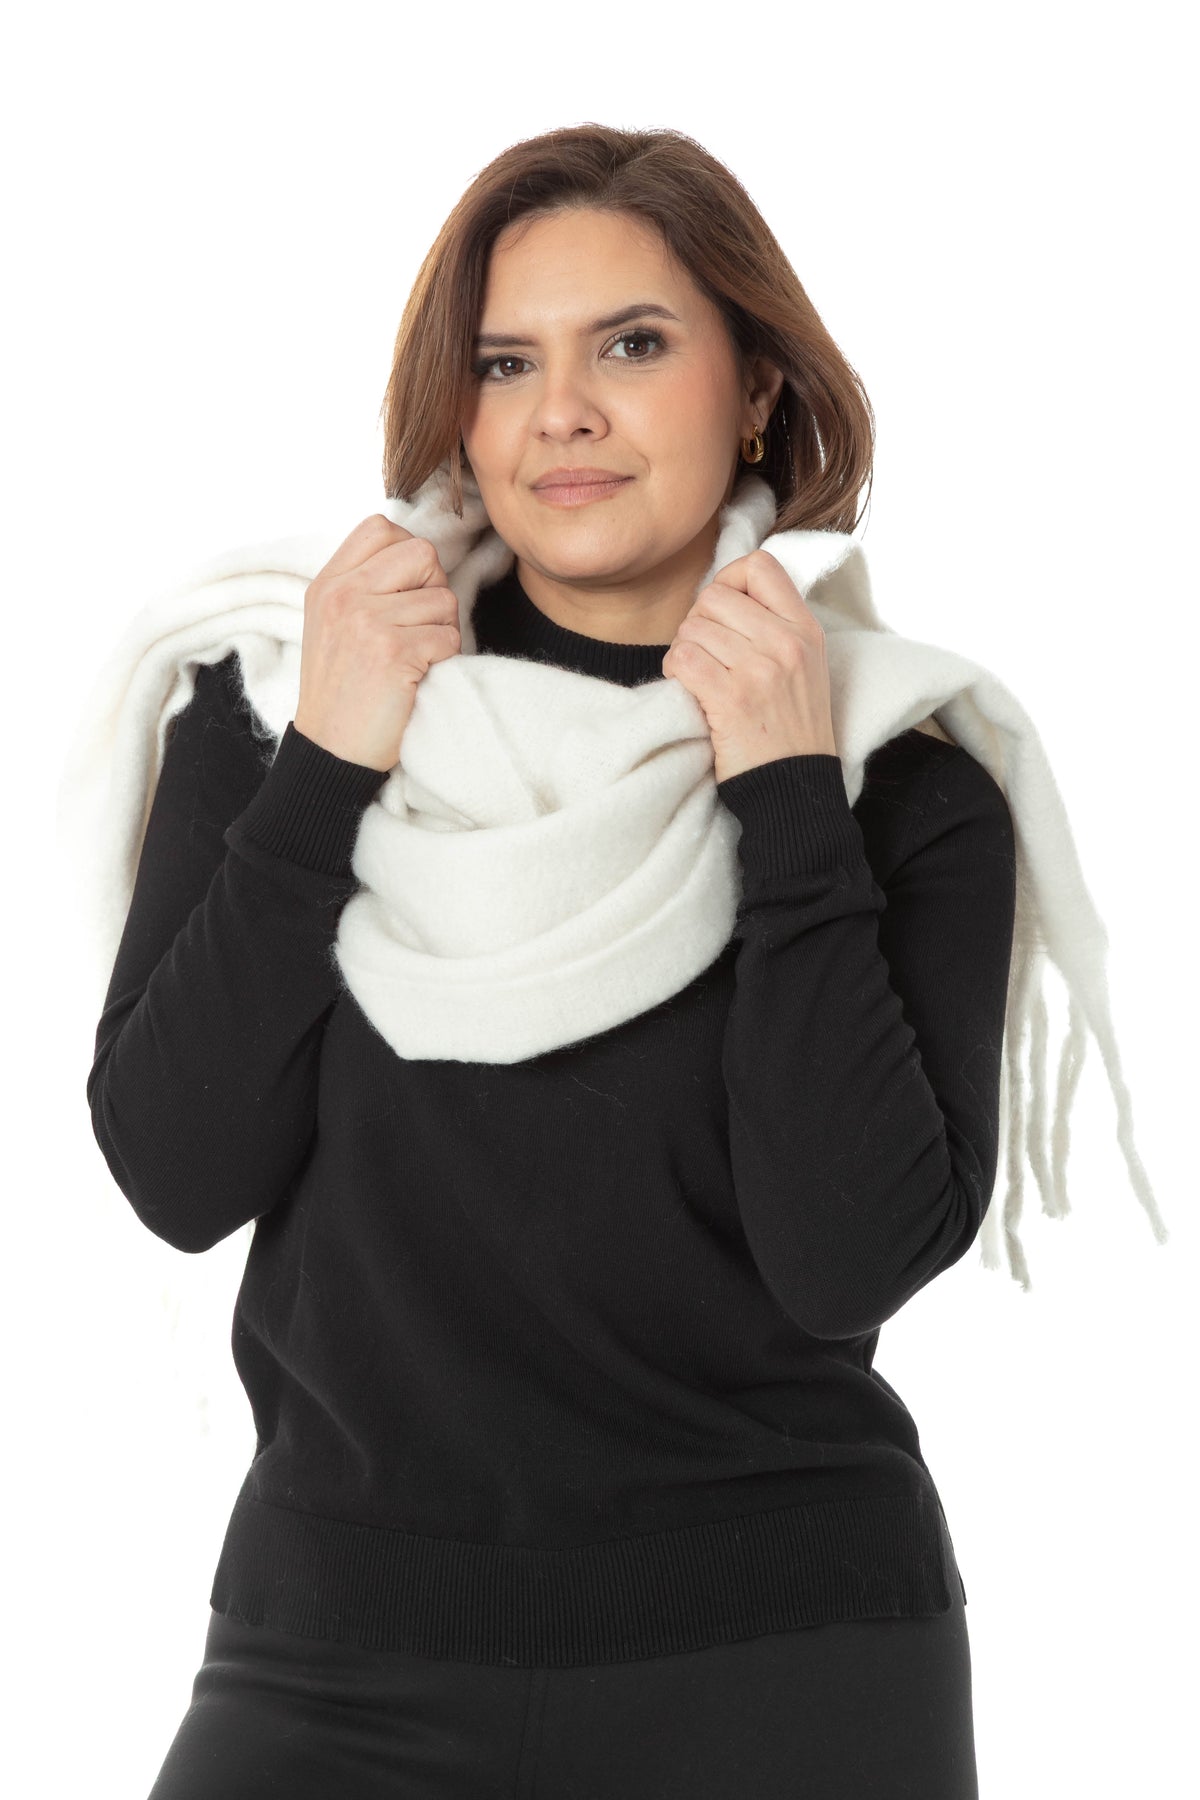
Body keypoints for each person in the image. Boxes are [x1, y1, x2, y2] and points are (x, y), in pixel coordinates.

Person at [92, 123, 1015, 1798]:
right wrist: (329, 766)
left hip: (788, 1666)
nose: (561, 412)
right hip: (336, 1660)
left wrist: (787, 799)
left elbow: (846, 1261)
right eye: (506, 361)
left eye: (633, 346)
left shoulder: (894, 777)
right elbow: (176, 1169)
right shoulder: (290, 703)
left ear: (756, 387)